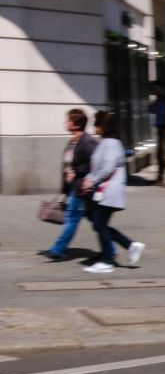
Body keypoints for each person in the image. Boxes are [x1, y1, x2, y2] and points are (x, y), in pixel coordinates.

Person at [80, 111, 144, 274]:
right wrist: (88, 179)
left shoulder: (111, 144)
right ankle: (129, 246)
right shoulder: (105, 143)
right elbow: (97, 168)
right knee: (97, 222)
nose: (95, 127)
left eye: (97, 124)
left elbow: (107, 169)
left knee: (99, 224)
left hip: (109, 191)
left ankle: (108, 260)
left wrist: (91, 181)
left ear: (103, 127)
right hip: (104, 191)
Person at [39, 108, 97, 262]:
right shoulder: (73, 142)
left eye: (68, 120)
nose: (65, 123)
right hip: (73, 188)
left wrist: (77, 173)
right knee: (96, 221)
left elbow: (95, 164)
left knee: (72, 218)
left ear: (76, 124)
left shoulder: (88, 142)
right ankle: (114, 248)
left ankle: (57, 250)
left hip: (82, 188)